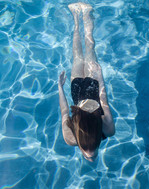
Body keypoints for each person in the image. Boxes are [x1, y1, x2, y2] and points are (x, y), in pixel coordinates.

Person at [58, 2, 115, 162]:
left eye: (87, 153)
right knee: (89, 48)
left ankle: (76, 18)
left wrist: (60, 88)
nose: (91, 154)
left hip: (77, 90)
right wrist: (99, 76)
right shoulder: (107, 129)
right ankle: (86, 13)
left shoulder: (70, 138)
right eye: (94, 152)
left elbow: (64, 112)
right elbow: (104, 102)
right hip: (93, 86)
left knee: (78, 55)